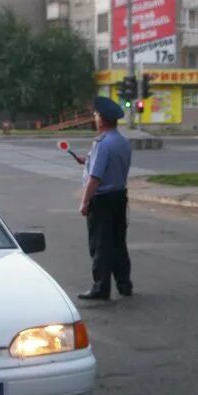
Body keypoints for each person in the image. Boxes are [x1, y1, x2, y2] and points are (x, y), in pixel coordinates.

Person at [73, 96, 133, 300]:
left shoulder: (103, 144)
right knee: (118, 242)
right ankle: (124, 284)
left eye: (96, 115)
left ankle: (101, 287)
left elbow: (95, 178)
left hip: (103, 201)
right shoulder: (122, 141)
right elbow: (110, 166)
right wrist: (87, 160)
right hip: (119, 197)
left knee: (100, 244)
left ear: (103, 119)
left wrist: (85, 201)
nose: (95, 118)